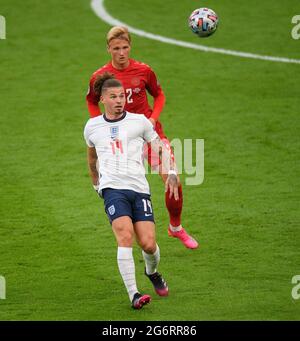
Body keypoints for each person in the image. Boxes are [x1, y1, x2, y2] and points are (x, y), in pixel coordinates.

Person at [86, 26, 198, 249]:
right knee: (123, 187)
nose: (121, 52)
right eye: (116, 48)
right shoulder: (100, 77)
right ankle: (137, 234)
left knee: (174, 181)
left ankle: (175, 227)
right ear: (108, 48)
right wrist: (102, 126)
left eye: (125, 47)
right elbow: (91, 101)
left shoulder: (144, 71)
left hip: (149, 135)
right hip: (121, 141)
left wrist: (154, 118)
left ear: (130, 47)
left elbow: (159, 95)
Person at [84, 73, 180, 309]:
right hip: (112, 190)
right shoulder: (92, 126)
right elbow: (92, 158)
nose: (119, 100)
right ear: (103, 100)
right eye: (113, 97)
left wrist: (172, 172)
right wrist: (97, 183)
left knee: (148, 244)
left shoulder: (140, 122)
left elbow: (160, 147)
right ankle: (134, 294)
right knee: (125, 236)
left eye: (121, 96)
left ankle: (152, 271)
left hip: (138, 188)